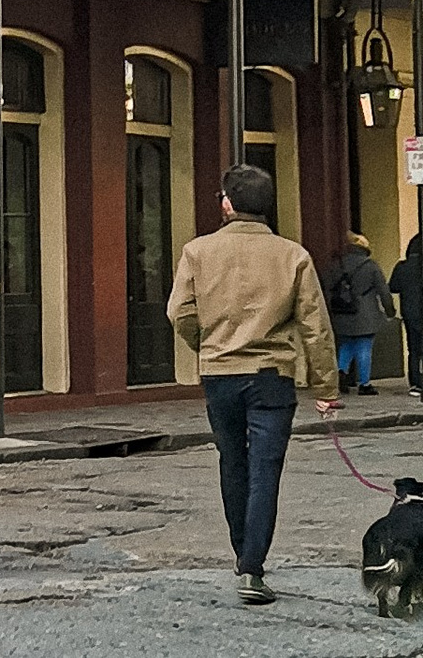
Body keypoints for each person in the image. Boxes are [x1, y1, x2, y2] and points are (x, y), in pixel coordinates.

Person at [167, 163, 340, 607]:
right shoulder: (292, 255)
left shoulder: (197, 251)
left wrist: (207, 346)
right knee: (266, 470)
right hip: (271, 377)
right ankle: (252, 567)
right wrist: (325, 388)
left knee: (231, 461)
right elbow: (314, 326)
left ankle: (240, 552)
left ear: (228, 203)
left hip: (220, 373)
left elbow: (179, 313)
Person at [324, 232, 394, 395]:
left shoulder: (336, 264)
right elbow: (383, 291)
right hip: (365, 312)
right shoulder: (370, 266)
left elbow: (327, 285)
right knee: (364, 346)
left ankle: (341, 373)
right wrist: (390, 311)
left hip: (342, 311)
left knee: (346, 344)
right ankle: (364, 384)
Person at [391, 230, 423, 400]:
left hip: (410, 313)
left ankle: (416, 384)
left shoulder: (402, 267)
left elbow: (393, 286)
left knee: (414, 350)